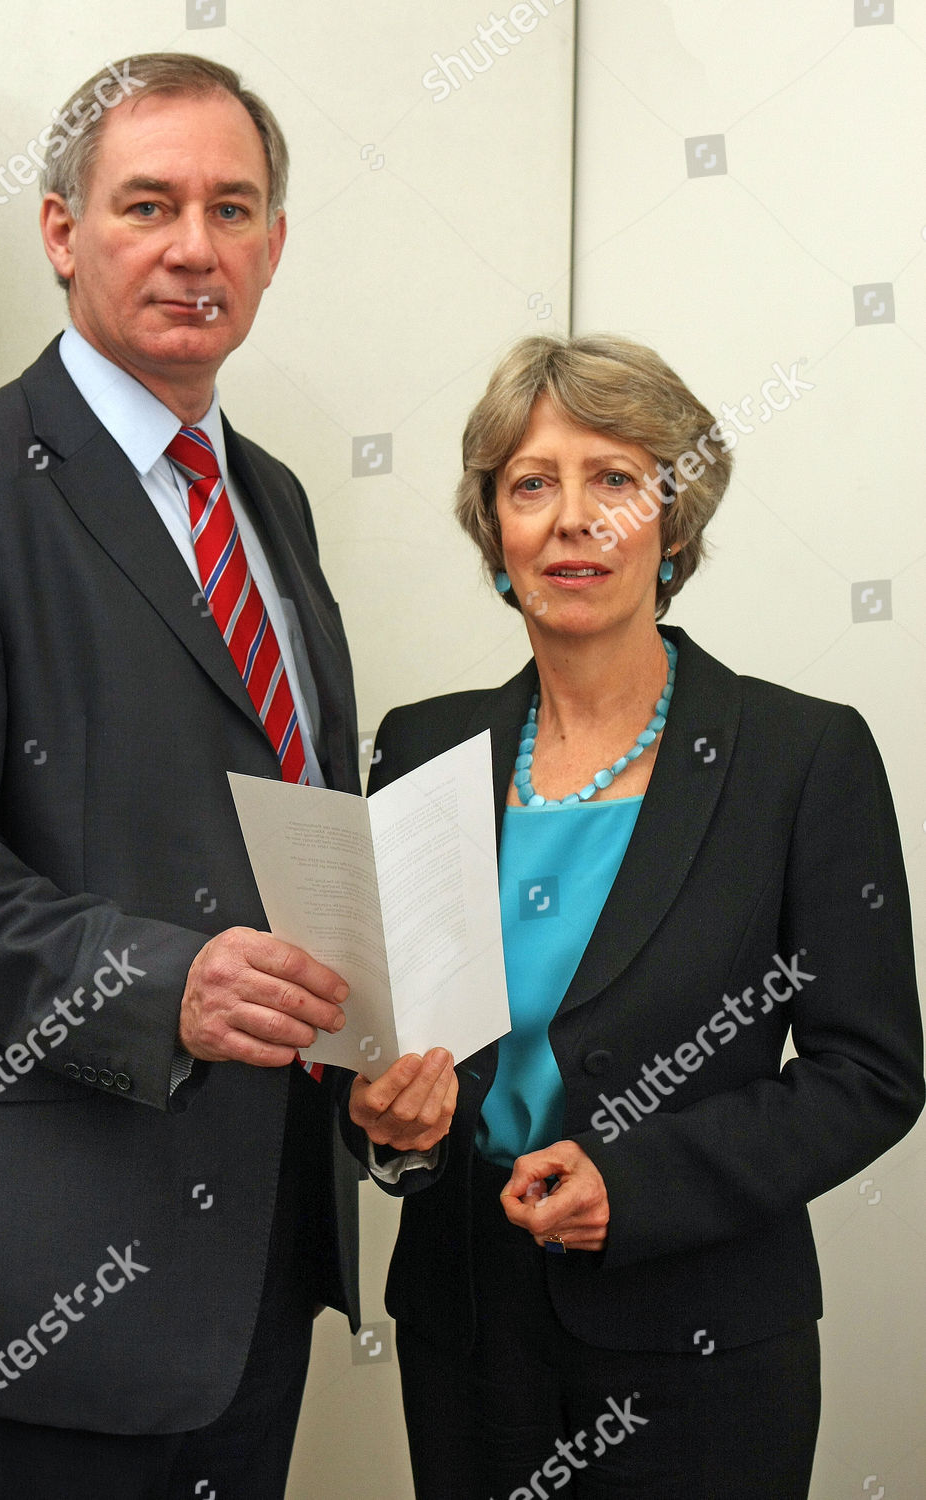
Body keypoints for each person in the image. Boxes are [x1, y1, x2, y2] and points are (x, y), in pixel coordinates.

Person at [0, 51, 427, 1500]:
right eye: (146, 203)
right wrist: (163, 983)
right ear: (58, 232)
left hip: (265, 1250)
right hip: (54, 1278)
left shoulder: (270, 500)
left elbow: (288, 817)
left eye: (232, 209)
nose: (191, 246)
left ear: (272, 247)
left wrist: (379, 1042)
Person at [344, 334, 925, 1499]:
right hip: (464, 1334)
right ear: (495, 534)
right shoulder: (420, 747)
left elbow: (869, 1070)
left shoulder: (801, 756)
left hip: (699, 1342)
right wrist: (384, 1132)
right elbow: (386, 1049)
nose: (572, 518)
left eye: (614, 479)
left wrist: (643, 1185)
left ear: (673, 520)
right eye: (530, 483)